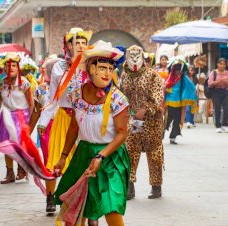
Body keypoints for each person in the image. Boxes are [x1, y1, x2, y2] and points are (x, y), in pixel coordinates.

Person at [54, 40, 129, 226]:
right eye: (102, 68)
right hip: (84, 154)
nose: (107, 73)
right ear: (89, 68)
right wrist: (63, 156)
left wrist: (101, 156)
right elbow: (73, 127)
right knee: (78, 206)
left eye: (110, 69)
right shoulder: (76, 95)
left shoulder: (117, 99)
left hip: (111, 158)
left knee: (112, 206)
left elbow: (122, 133)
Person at [37, 27, 92, 213]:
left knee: (83, 161)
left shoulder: (92, 65)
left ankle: (78, 201)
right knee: (56, 159)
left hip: (85, 118)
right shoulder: (58, 67)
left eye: (84, 42)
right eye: (76, 42)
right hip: (63, 116)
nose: (80, 46)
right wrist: (43, 121)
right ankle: (50, 196)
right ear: (68, 45)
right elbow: (52, 97)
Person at [120, 45, 164, 199]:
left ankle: (156, 186)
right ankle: (129, 186)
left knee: (154, 153)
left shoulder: (152, 75)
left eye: (136, 56)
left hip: (152, 120)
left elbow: (157, 95)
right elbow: (122, 95)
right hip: (133, 121)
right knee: (130, 150)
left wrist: (145, 109)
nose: (134, 60)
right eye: (130, 56)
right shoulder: (124, 75)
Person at [0, 53, 33, 184]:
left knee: (20, 146)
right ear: (4, 68)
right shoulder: (2, 83)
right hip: (7, 116)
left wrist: (30, 122)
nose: (11, 68)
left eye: (14, 66)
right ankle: (9, 173)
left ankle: (22, 169)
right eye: (8, 66)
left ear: (18, 68)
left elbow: (31, 103)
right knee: (7, 146)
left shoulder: (24, 83)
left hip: (21, 117)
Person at [164, 57, 198, 144]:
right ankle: (160, 134)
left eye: (180, 69)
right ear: (173, 69)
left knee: (177, 120)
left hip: (179, 102)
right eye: (176, 69)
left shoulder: (184, 78)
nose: (178, 71)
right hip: (170, 102)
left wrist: (195, 92)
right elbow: (164, 87)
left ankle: (173, 137)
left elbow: (192, 87)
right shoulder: (169, 77)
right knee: (168, 119)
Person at [208, 58, 228, 133]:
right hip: (216, 91)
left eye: (224, 64)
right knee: (217, 109)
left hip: (225, 91)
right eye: (220, 64)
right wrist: (219, 81)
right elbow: (210, 84)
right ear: (218, 64)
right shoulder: (213, 72)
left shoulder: (227, 73)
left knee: (226, 108)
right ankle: (218, 126)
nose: (222, 65)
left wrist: (225, 82)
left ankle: (225, 125)